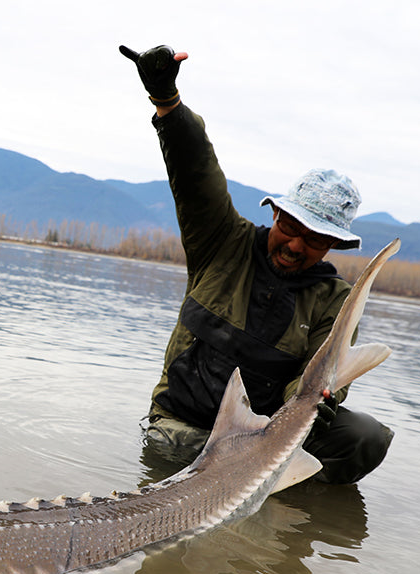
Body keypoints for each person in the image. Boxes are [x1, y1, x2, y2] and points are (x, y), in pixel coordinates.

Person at [118, 43, 393, 484]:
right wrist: (167, 101)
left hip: (262, 437)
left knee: (363, 436)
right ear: (275, 214)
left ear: (333, 246)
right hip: (183, 428)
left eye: (316, 239)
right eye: (292, 226)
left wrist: (315, 405)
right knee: (169, 472)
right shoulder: (222, 243)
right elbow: (196, 176)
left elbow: (316, 379)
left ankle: (286, 495)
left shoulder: (333, 300)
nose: (296, 245)